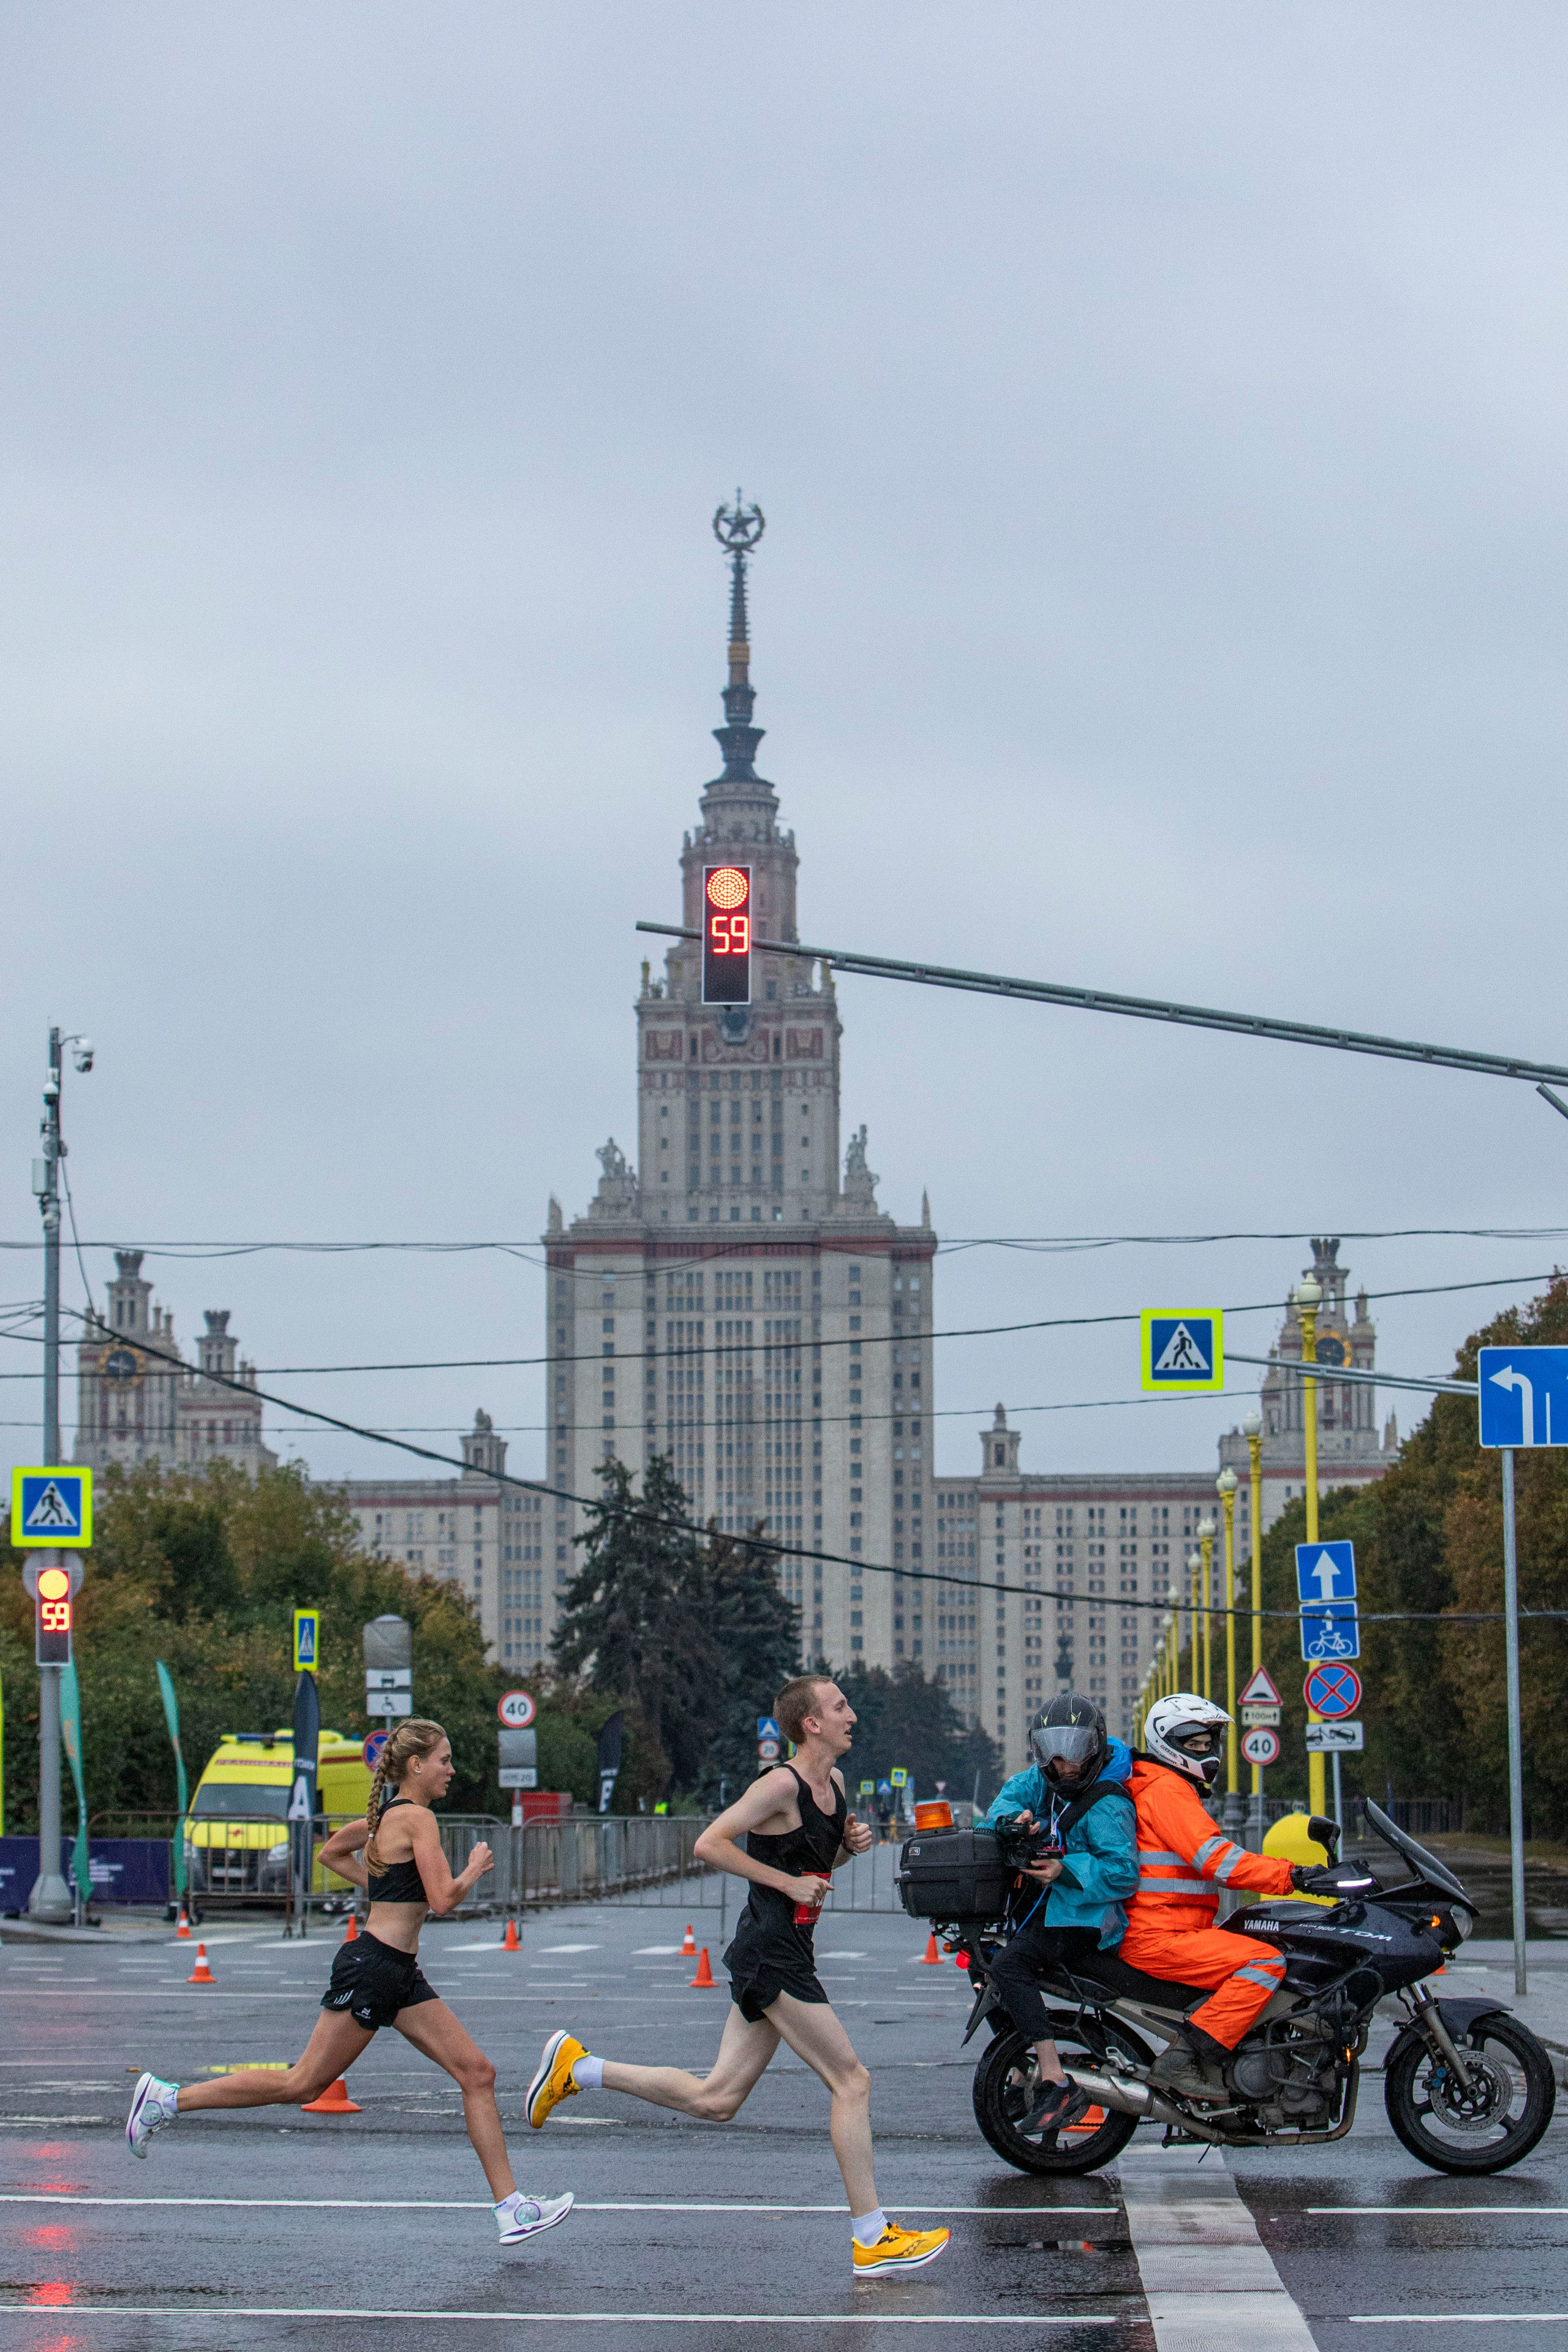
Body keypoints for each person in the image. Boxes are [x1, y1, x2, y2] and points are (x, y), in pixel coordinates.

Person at [524, 1675, 949, 2278]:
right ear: (811, 1724)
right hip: (770, 1951)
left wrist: (850, 1848)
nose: (851, 1715)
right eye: (839, 1707)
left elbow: (813, 1866)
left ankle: (579, 2068)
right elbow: (709, 1844)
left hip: (783, 1948)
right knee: (851, 2081)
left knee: (717, 2098)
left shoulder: (835, 1786)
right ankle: (870, 2236)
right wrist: (785, 1884)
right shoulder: (780, 1783)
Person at [124, 1717, 574, 2247]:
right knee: (304, 2084)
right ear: (416, 1765)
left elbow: (331, 1855)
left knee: (478, 2073)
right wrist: (475, 1866)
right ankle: (166, 2100)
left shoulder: (385, 1816)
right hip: (375, 1968)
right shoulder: (419, 1820)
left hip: (397, 1972)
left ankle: (511, 2209)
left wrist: (386, 1888)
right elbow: (443, 1900)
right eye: (444, 1760)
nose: (451, 1770)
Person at [1118, 1694, 1307, 2098]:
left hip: (1170, 1928)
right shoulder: (1167, 1789)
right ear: (1169, 1742)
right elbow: (1219, 1863)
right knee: (1265, 1961)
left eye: (1210, 1743)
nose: (1207, 1751)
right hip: (1160, 1936)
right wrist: (1294, 1876)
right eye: (1197, 1743)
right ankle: (1185, 2058)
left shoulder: (1160, 1783)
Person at [981, 1693, 1138, 2135]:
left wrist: (1065, 1870)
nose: (1063, 1763)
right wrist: (1012, 1824)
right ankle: (1018, 2069)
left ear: (1095, 1746)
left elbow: (1123, 1874)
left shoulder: (1109, 1801)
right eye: (1053, 1749)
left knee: (1010, 1966)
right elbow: (1003, 1805)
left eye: (1073, 1749)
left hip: (1086, 1921)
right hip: (1048, 1912)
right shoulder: (1041, 1781)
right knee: (983, 1964)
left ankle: (1055, 2080)